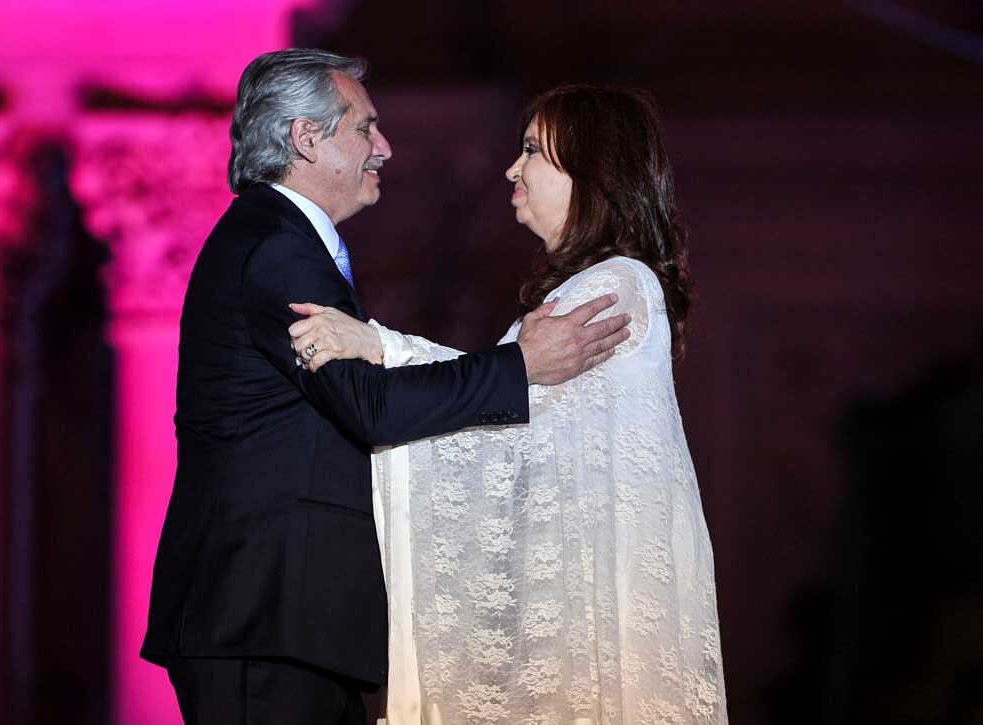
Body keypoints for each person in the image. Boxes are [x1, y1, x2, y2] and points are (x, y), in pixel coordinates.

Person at [140, 52, 633, 725]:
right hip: (264, 619)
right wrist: (520, 367)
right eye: (366, 128)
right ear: (306, 139)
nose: (385, 148)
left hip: (285, 623)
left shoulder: (284, 241)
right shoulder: (278, 247)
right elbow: (368, 404)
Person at [289, 84, 728, 724]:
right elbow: (508, 414)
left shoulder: (613, 286)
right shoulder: (603, 283)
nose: (511, 169)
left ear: (591, 170)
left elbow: (503, 433)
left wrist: (379, 346)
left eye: (531, 152)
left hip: (587, 610)